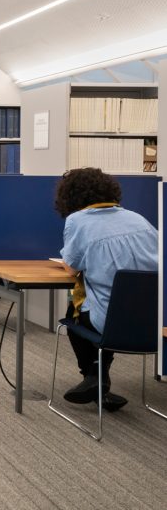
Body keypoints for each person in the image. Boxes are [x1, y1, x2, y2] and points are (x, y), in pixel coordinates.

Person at [55, 168, 156, 410]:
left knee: (76, 316)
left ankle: (94, 377)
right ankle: (98, 377)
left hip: (110, 322)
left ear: (70, 197)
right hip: (152, 320)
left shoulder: (77, 221)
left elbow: (70, 269)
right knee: (105, 303)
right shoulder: (138, 218)